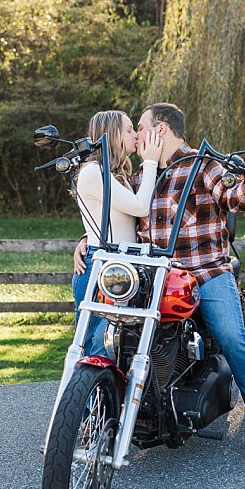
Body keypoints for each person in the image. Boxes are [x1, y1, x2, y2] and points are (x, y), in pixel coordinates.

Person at [74, 103, 245, 463]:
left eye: (141, 127)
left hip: (205, 271)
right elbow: (115, 213)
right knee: (117, 338)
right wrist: (84, 239)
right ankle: (107, 412)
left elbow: (236, 199)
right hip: (156, 279)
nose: (136, 136)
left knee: (233, 336)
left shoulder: (203, 165)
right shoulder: (143, 176)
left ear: (162, 130)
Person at [71, 110, 162, 356]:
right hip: (101, 267)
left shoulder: (116, 174)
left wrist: (84, 237)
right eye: (130, 129)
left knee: (119, 351)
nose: (135, 135)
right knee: (97, 349)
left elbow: (114, 218)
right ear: (112, 134)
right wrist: (151, 161)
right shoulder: (93, 172)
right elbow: (139, 206)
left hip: (122, 267)